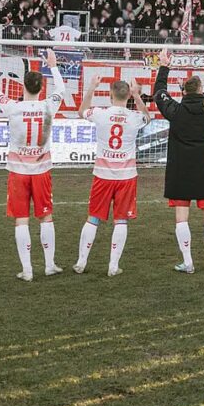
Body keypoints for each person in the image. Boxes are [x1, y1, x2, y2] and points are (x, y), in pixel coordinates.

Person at [153, 49, 204, 273]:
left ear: (183, 92)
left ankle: (188, 262)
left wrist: (164, 66)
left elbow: (159, 91)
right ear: (201, 91)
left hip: (180, 173)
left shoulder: (175, 111)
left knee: (181, 217)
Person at [0, 49, 66, 281]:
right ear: (41, 88)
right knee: (46, 217)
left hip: (17, 172)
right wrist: (53, 65)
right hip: (42, 171)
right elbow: (61, 90)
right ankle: (50, 264)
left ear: (23, 86)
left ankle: (27, 269)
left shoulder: (13, 107)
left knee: (21, 219)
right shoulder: (48, 106)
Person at [73, 76, 147, 276]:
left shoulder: (100, 114)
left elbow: (81, 111)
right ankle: (113, 266)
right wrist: (137, 95)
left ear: (110, 95)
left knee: (93, 217)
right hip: (126, 176)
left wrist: (91, 87)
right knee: (121, 220)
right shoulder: (134, 116)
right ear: (128, 96)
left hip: (103, 174)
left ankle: (81, 261)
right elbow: (147, 116)